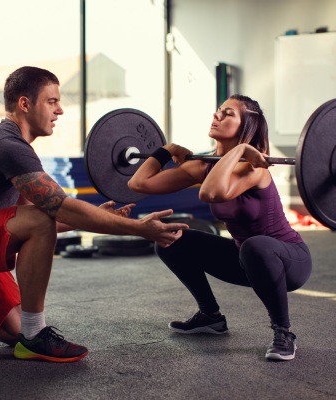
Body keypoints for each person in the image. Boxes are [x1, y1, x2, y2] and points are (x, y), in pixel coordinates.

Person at [0, 66, 188, 363]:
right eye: (52, 101)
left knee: (13, 334)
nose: (60, 110)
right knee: (29, 327)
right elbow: (53, 211)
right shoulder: (6, 145)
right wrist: (138, 228)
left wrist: (97, 217)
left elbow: (32, 220)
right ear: (25, 104)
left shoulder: (18, 149)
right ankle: (36, 336)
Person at [127, 94, 312, 361]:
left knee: (254, 245)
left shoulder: (254, 166)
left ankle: (284, 332)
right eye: (218, 111)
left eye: (227, 114)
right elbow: (139, 184)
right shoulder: (204, 165)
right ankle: (210, 316)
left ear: (247, 125)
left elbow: (211, 193)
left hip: (289, 262)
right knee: (170, 239)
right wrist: (166, 150)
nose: (217, 116)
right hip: (244, 259)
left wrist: (239, 151)